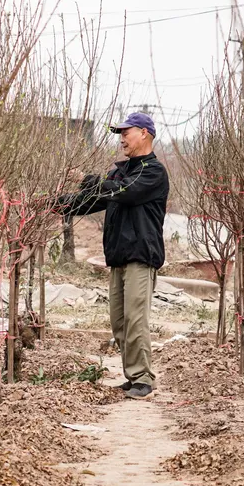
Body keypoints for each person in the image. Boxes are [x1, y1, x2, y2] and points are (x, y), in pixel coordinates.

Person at [54, 112, 170, 399]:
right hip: (118, 256)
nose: (121, 139)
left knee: (135, 318)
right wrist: (50, 203)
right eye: (119, 133)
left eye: (125, 132)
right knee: (119, 321)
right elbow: (92, 200)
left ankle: (144, 379)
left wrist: (87, 179)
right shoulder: (120, 172)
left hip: (141, 257)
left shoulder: (152, 172)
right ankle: (132, 377)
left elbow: (125, 193)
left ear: (144, 133)